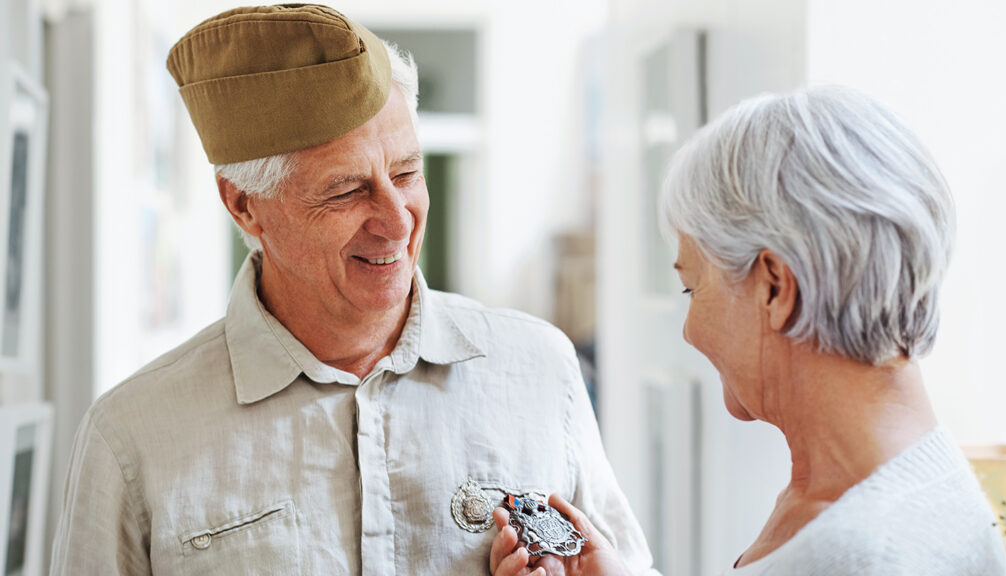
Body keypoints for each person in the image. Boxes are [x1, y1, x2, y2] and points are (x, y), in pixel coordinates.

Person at [49, 5, 656, 575]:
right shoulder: (130, 439)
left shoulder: (543, 373)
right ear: (244, 207)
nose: (397, 221)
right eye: (346, 190)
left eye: (407, 173)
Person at [491, 86, 1006, 575]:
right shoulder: (912, 479)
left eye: (692, 288)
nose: (689, 331)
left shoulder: (855, 555)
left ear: (775, 287)